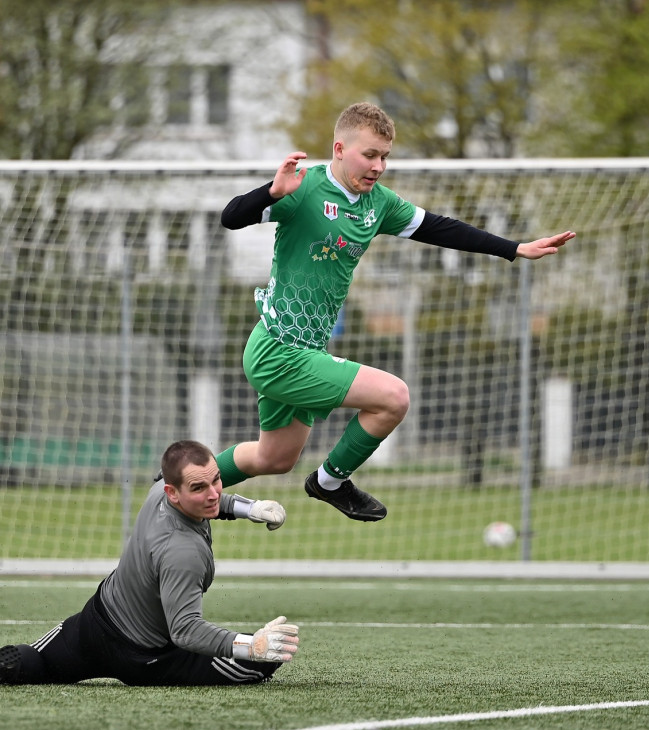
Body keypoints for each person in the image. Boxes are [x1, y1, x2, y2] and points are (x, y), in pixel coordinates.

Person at [215, 101, 576, 522]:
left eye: (384, 156)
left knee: (273, 458)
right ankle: (330, 482)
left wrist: (514, 248)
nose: (379, 166)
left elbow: (441, 227)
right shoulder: (303, 189)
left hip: (303, 350)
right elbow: (230, 218)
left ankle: (172, 486)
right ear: (338, 149)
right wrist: (271, 193)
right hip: (279, 350)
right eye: (369, 155)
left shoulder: (378, 204)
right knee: (393, 398)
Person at [0, 440, 299, 687]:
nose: (213, 494)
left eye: (217, 479)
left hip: (95, 623)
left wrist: (248, 507)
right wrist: (251, 645)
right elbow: (185, 630)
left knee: (25, 662)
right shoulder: (183, 550)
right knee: (267, 659)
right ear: (173, 492)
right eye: (198, 488)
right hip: (147, 659)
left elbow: (207, 496)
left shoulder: (161, 489)